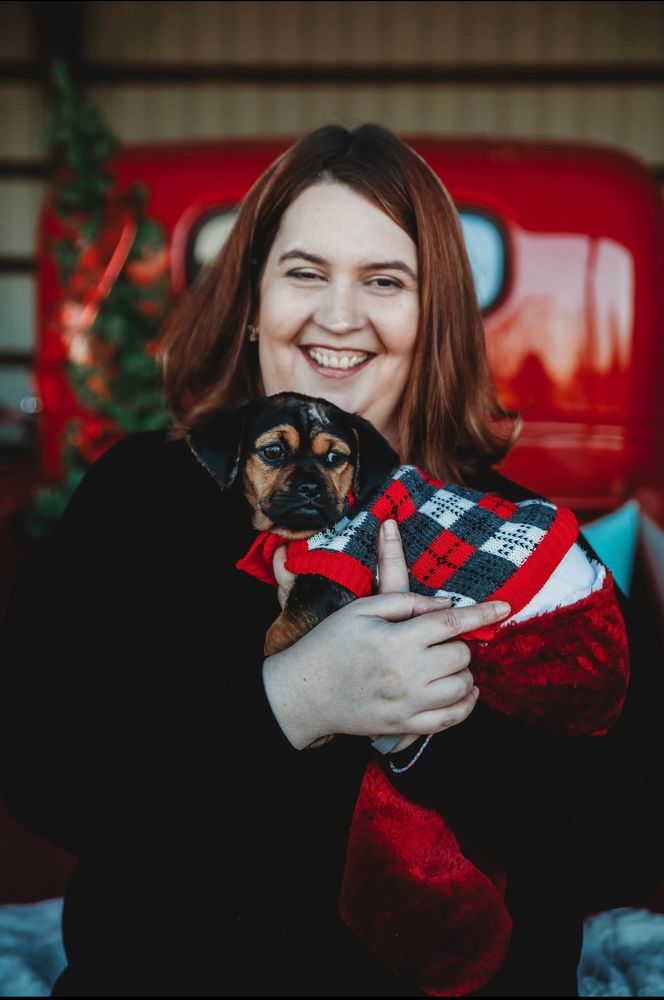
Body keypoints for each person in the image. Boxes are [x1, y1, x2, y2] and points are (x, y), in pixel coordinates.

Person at [1, 124, 662, 998]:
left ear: (434, 320)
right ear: (250, 302)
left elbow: (623, 844)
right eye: (304, 272)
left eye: (385, 281)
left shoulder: (521, 540)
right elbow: (47, 775)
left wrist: (417, 731)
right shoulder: (141, 498)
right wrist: (298, 698)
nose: (338, 315)